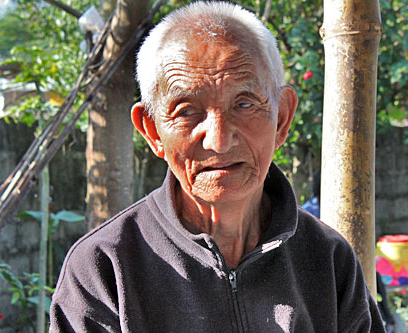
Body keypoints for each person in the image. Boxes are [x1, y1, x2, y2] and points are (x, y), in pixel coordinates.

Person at [50, 2, 385, 332]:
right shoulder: (104, 268)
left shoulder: (328, 260)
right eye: (186, 111)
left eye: (243, 103)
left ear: (281, 118)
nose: (219, 140)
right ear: (152, 131)